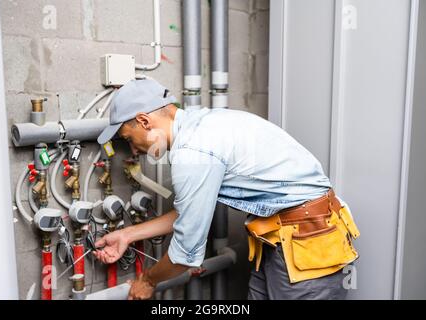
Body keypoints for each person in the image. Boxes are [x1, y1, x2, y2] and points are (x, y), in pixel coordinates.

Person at [93, 78, 360, 300]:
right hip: (281, 239)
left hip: (306, 244)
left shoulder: (193, 151)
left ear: (144, 121)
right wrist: (128, 234)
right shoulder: (204, 123)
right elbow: (190, 212)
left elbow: (185, 255)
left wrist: (148, 281)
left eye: (129, 139)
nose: (134, 151)